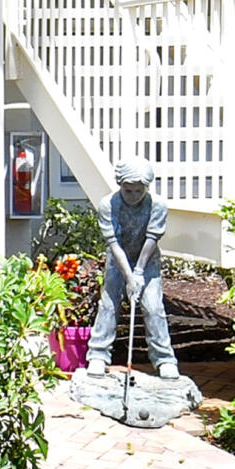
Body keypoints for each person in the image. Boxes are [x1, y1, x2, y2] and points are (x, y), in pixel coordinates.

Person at [88, 155, 178, 374]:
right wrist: (129, 277)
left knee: (153, 306)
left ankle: (164, 359)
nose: (134, 196)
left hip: (147, 261)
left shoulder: (157, 205)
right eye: (129, 190)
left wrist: (138, 272)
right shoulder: (109, 205)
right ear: (120, 185)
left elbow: (152, 238)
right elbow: (113, 243)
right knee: (109, 304)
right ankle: (98, 355)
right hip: (118, 260)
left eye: (139, 191)